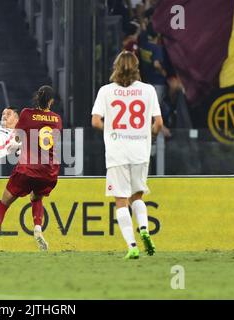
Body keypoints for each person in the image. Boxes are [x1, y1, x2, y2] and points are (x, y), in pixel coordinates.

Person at [91, 51, 163, 259]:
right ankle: (145, 230)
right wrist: (150, 135)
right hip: (140, 151)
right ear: (136, 67)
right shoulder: (148, 90)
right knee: (137, 196)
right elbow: (158, 123)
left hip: (117, 152)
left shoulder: (106, 91)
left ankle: (132, 246)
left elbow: (96, 121)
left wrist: (112, 130)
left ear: (115, 67)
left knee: (121, 200)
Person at [0, 85, 63, 252]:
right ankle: (38, 230)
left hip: (27, 169)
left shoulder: (26, 113)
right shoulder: (57, 119)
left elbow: (16, 136)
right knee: (36, 198)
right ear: (51, 101)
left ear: (37, 98)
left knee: (3, 204)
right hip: (49, 172)